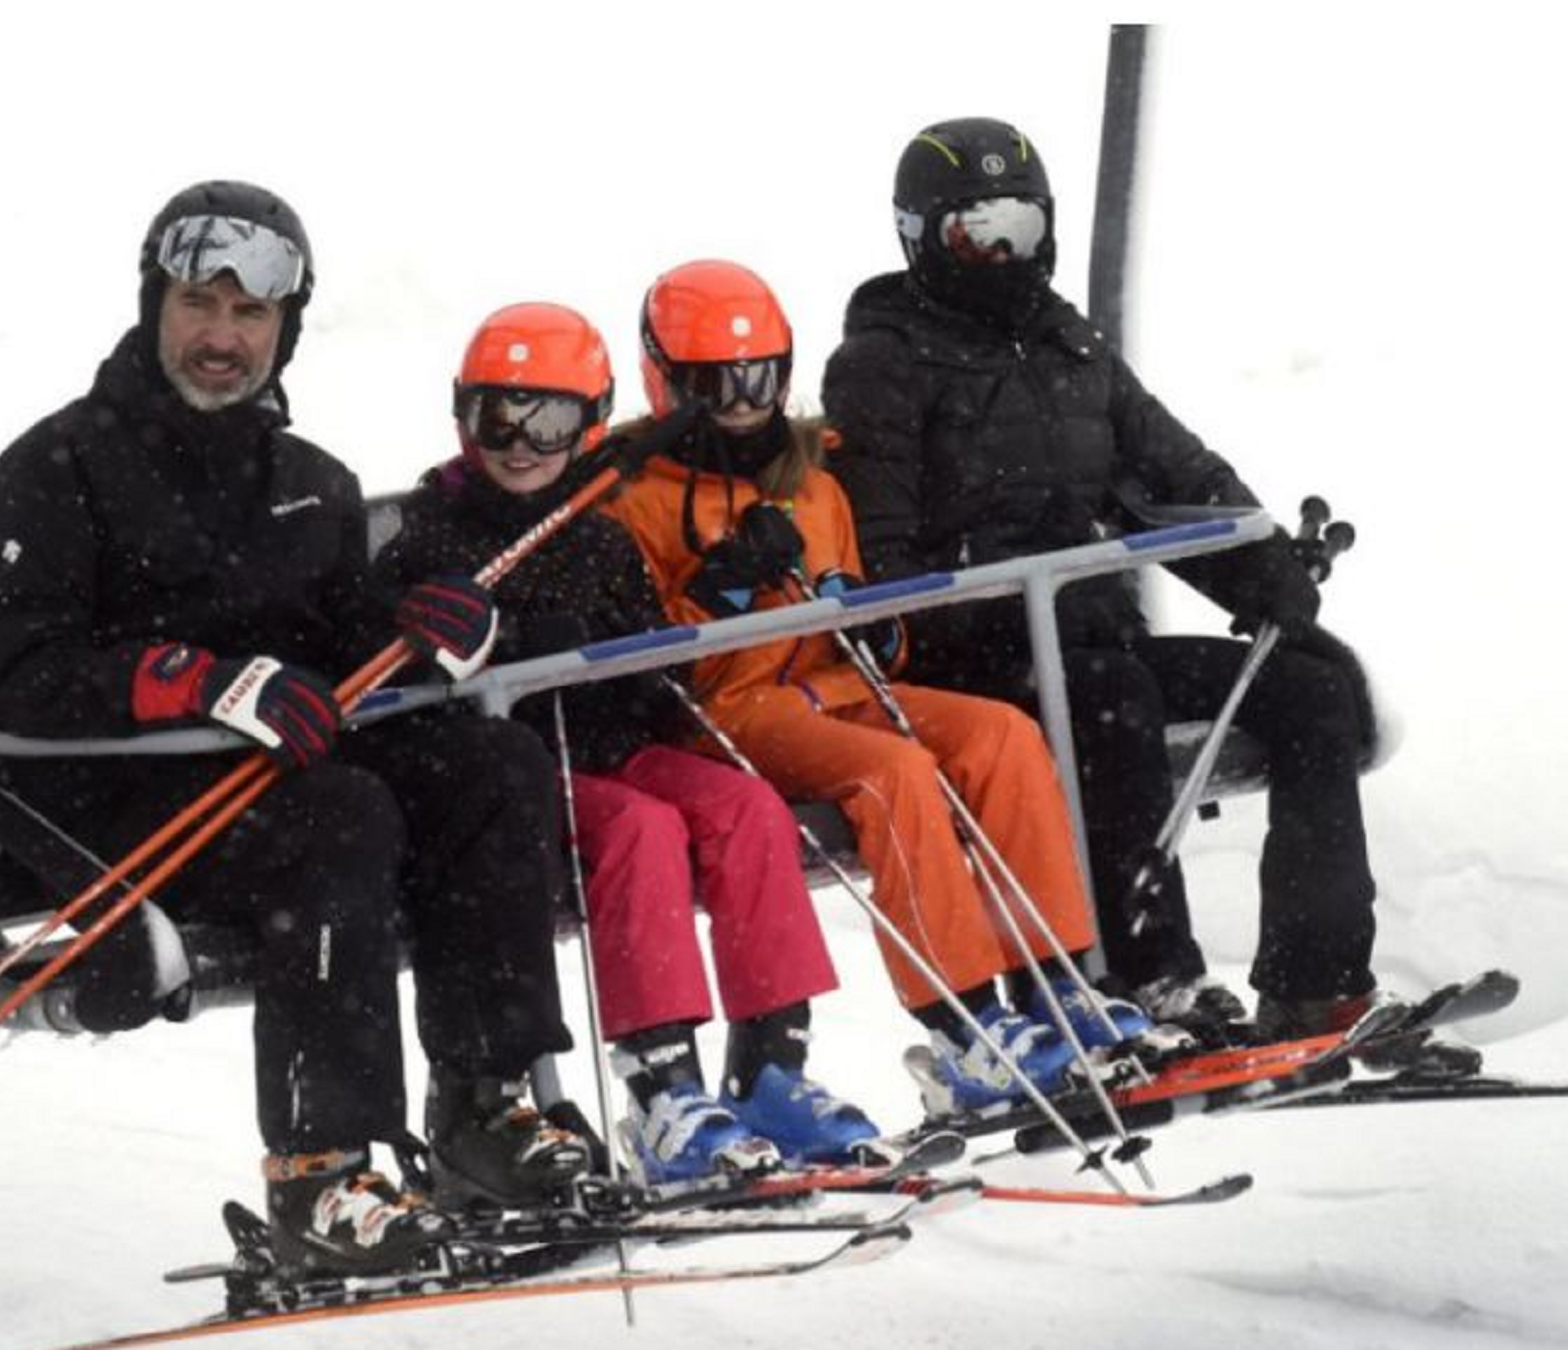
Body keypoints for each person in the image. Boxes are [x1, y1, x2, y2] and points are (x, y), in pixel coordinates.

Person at [0, 182, 590, 1274]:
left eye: (249, 315)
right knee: (338, 814)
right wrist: (189, 680)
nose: (221, 337)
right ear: (155, 305)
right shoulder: (52, 473)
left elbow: (345, 642)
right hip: (123, 803)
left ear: (285, 326)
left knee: (491, 762)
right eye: (199, 305)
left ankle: (482, 1107)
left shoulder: (308, 483)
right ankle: (318, 1171)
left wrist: (427, 619)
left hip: (275, 780)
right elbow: (23, 680)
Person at [822, 117, 1384, 1042]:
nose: (1003, 255)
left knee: (1311, 690)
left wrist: (1262, 568)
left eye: (1022, 228)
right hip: (977, 663)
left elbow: (1175, 472)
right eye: (976, 232)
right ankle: (1147, 976)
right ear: (922, 238)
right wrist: (999, 597)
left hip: (1092, 635)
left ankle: (1316, 980)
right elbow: (880, 556)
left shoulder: (1063, 344)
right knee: (1110, 695)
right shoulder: (881, 365)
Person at [602, 260, 1158, 1118]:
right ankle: (963, 1019)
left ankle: (1053, 980)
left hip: (829, 685)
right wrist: (723, 588)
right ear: (666, 380)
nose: (744, 400)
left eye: (762, 376)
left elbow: (865, 608)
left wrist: (877, 629)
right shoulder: (636, 496)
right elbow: (643, 657)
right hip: (732, 711)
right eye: (714, 383)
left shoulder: (813, 479)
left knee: (999, 735)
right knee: (891, 771)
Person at [373, 301, 879, 1179]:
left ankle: (770, 1067)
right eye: (497, 414)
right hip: (526, 774)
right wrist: (509, 646)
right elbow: (402, 680)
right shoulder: (433, 535)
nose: (521, 440)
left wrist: (643, 639)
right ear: (461, 415)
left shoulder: (599, 533)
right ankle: (662, 1091)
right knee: (643, 830)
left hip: (614, 745)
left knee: (745, 807)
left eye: (551, 418)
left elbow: (659, 674)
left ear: (593, 420)